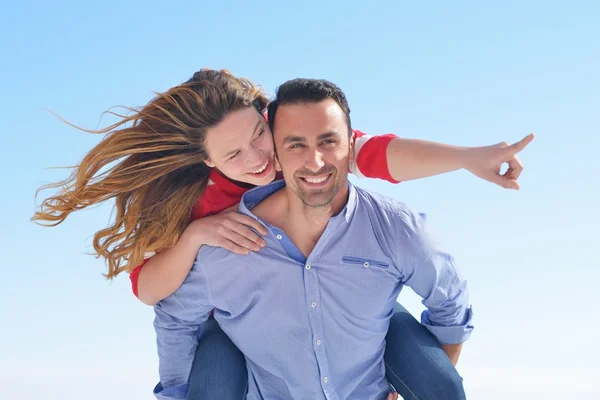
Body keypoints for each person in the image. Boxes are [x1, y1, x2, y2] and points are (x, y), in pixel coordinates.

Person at [32, 69, 533, 399]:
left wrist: (469, 159)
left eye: (257, 135)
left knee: (423, 363)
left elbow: (378, 155)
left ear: (266, 115)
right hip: (234, 316)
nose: (258, 158)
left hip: (344, 300)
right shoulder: (199, 202)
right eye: (234, 155)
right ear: (209, 161)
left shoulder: (300, 149)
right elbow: (150, 292)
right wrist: (193, 237)